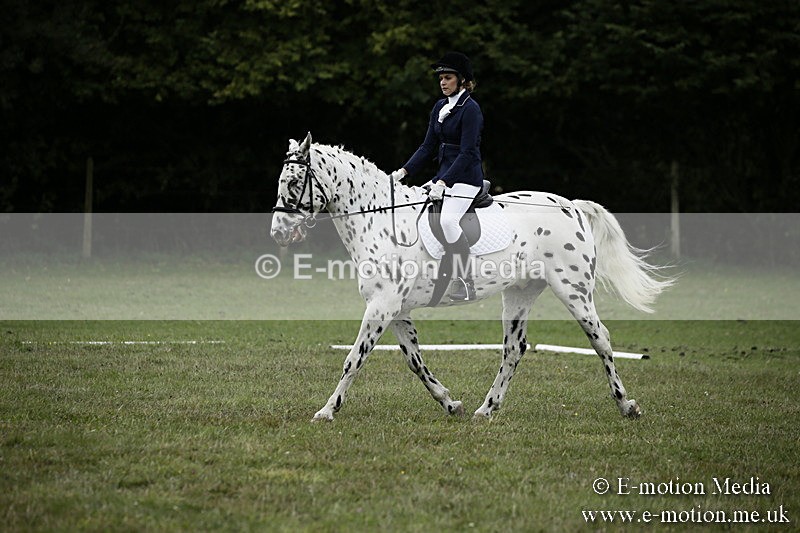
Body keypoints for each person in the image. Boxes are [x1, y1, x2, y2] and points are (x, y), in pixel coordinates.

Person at [391, 51, 484, 301]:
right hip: (443, 176)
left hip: (466, 178)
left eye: (448, 78)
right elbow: (427, 146)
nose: (443, 82)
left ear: (462, 80)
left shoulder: (470, 110)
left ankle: (466, 281)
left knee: (447, 222)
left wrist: (443, 181)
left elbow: (466, 153)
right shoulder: (440, 107)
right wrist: (403, 172)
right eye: (441, 78)